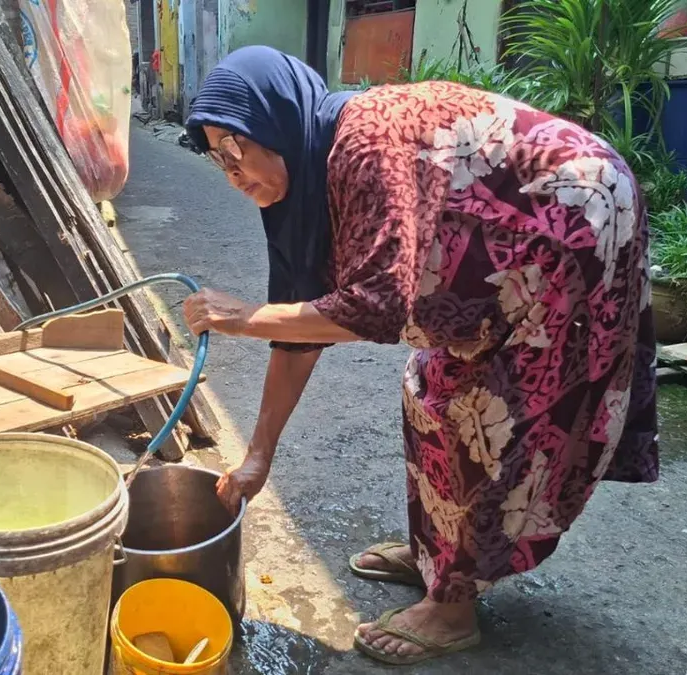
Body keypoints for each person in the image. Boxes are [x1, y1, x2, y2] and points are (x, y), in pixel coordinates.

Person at [180, 46, 659, 666]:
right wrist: (257, 459)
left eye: (234, 150)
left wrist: (242, 317)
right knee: (430, 389)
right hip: (507, 244)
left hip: (574, 227)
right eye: (217, 160)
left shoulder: (360, 147)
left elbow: (376, 308)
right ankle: (441, 555)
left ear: (275, 122)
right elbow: (301, 331)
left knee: (491, 414)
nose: (231, 173)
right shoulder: (307, 183)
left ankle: (454, 608)